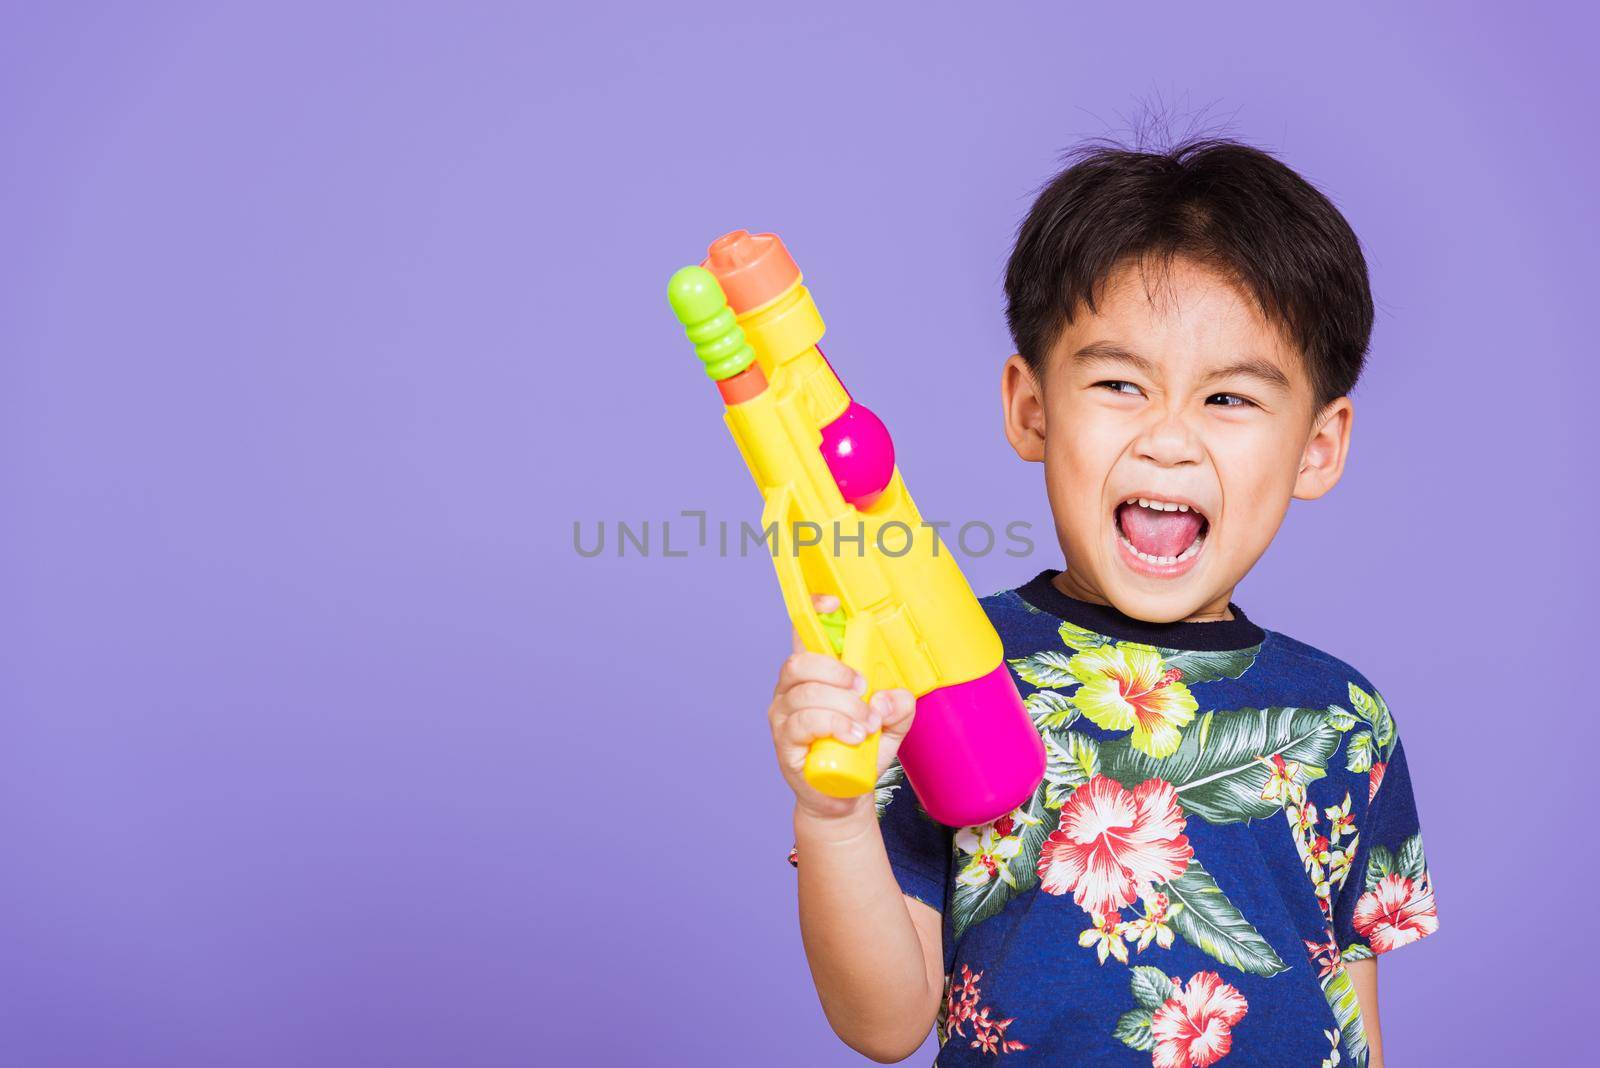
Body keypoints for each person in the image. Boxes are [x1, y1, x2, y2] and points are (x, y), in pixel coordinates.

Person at [771, 138, 1438, 1066]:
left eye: (1231, 400)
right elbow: (883, 1024)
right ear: (1031, 407)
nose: (1169, 439)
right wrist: (830, 818)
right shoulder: (939, 669)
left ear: (1318, 447)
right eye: (1120, 384)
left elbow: (1352, 1013)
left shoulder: (1343, 718)